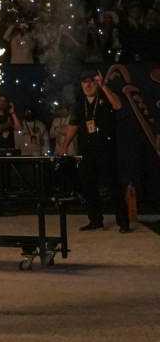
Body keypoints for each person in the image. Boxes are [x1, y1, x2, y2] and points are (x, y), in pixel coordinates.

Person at [59, 69, 130, 233]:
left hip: (105, 147)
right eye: (85, 82)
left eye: (92, 81)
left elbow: (118, 105)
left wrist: (103, 86)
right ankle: (95, 220)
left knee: (113, 185)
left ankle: (123, 222)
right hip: (87, 148)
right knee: (88, 185)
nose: (88, 84)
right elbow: (74, 124)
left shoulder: (105, 95)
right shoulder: (80, 101)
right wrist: (64, 146)